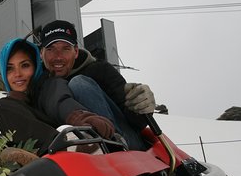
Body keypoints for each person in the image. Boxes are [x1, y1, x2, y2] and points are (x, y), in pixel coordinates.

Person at [38, 20, 156, 150]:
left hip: (127, 147)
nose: (58, 57)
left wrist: (139, 107)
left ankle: (113, 143)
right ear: (41, 53)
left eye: (66, 49)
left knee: (78, 84)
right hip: (74, 153)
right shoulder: (40, 87)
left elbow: (135, 122)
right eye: (51, 49)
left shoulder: (99, 70)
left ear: (76, 51)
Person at [0, 38, 115, 156]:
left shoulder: (48, 86)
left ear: (35, 67)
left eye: (25, 65)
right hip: (32, 159)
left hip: (62, 144)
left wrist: (84, 118)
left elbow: (61, 102)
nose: (17, 74)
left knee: (2, 106)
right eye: (10, 69)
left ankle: (66, 148)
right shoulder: (11, 109)